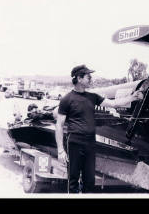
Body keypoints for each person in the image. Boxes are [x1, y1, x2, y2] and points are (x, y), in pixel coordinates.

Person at [55, 64, 143, 193]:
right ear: (79, 78)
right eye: (88, 76)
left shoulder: (93, 97)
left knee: (89, 180)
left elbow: (113, 103)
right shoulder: (67, 99)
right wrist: (60, 150)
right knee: (73, 179)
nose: (91, 79)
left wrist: (133, 97)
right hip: (75, 142)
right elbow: (59, 125)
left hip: (90, 142)